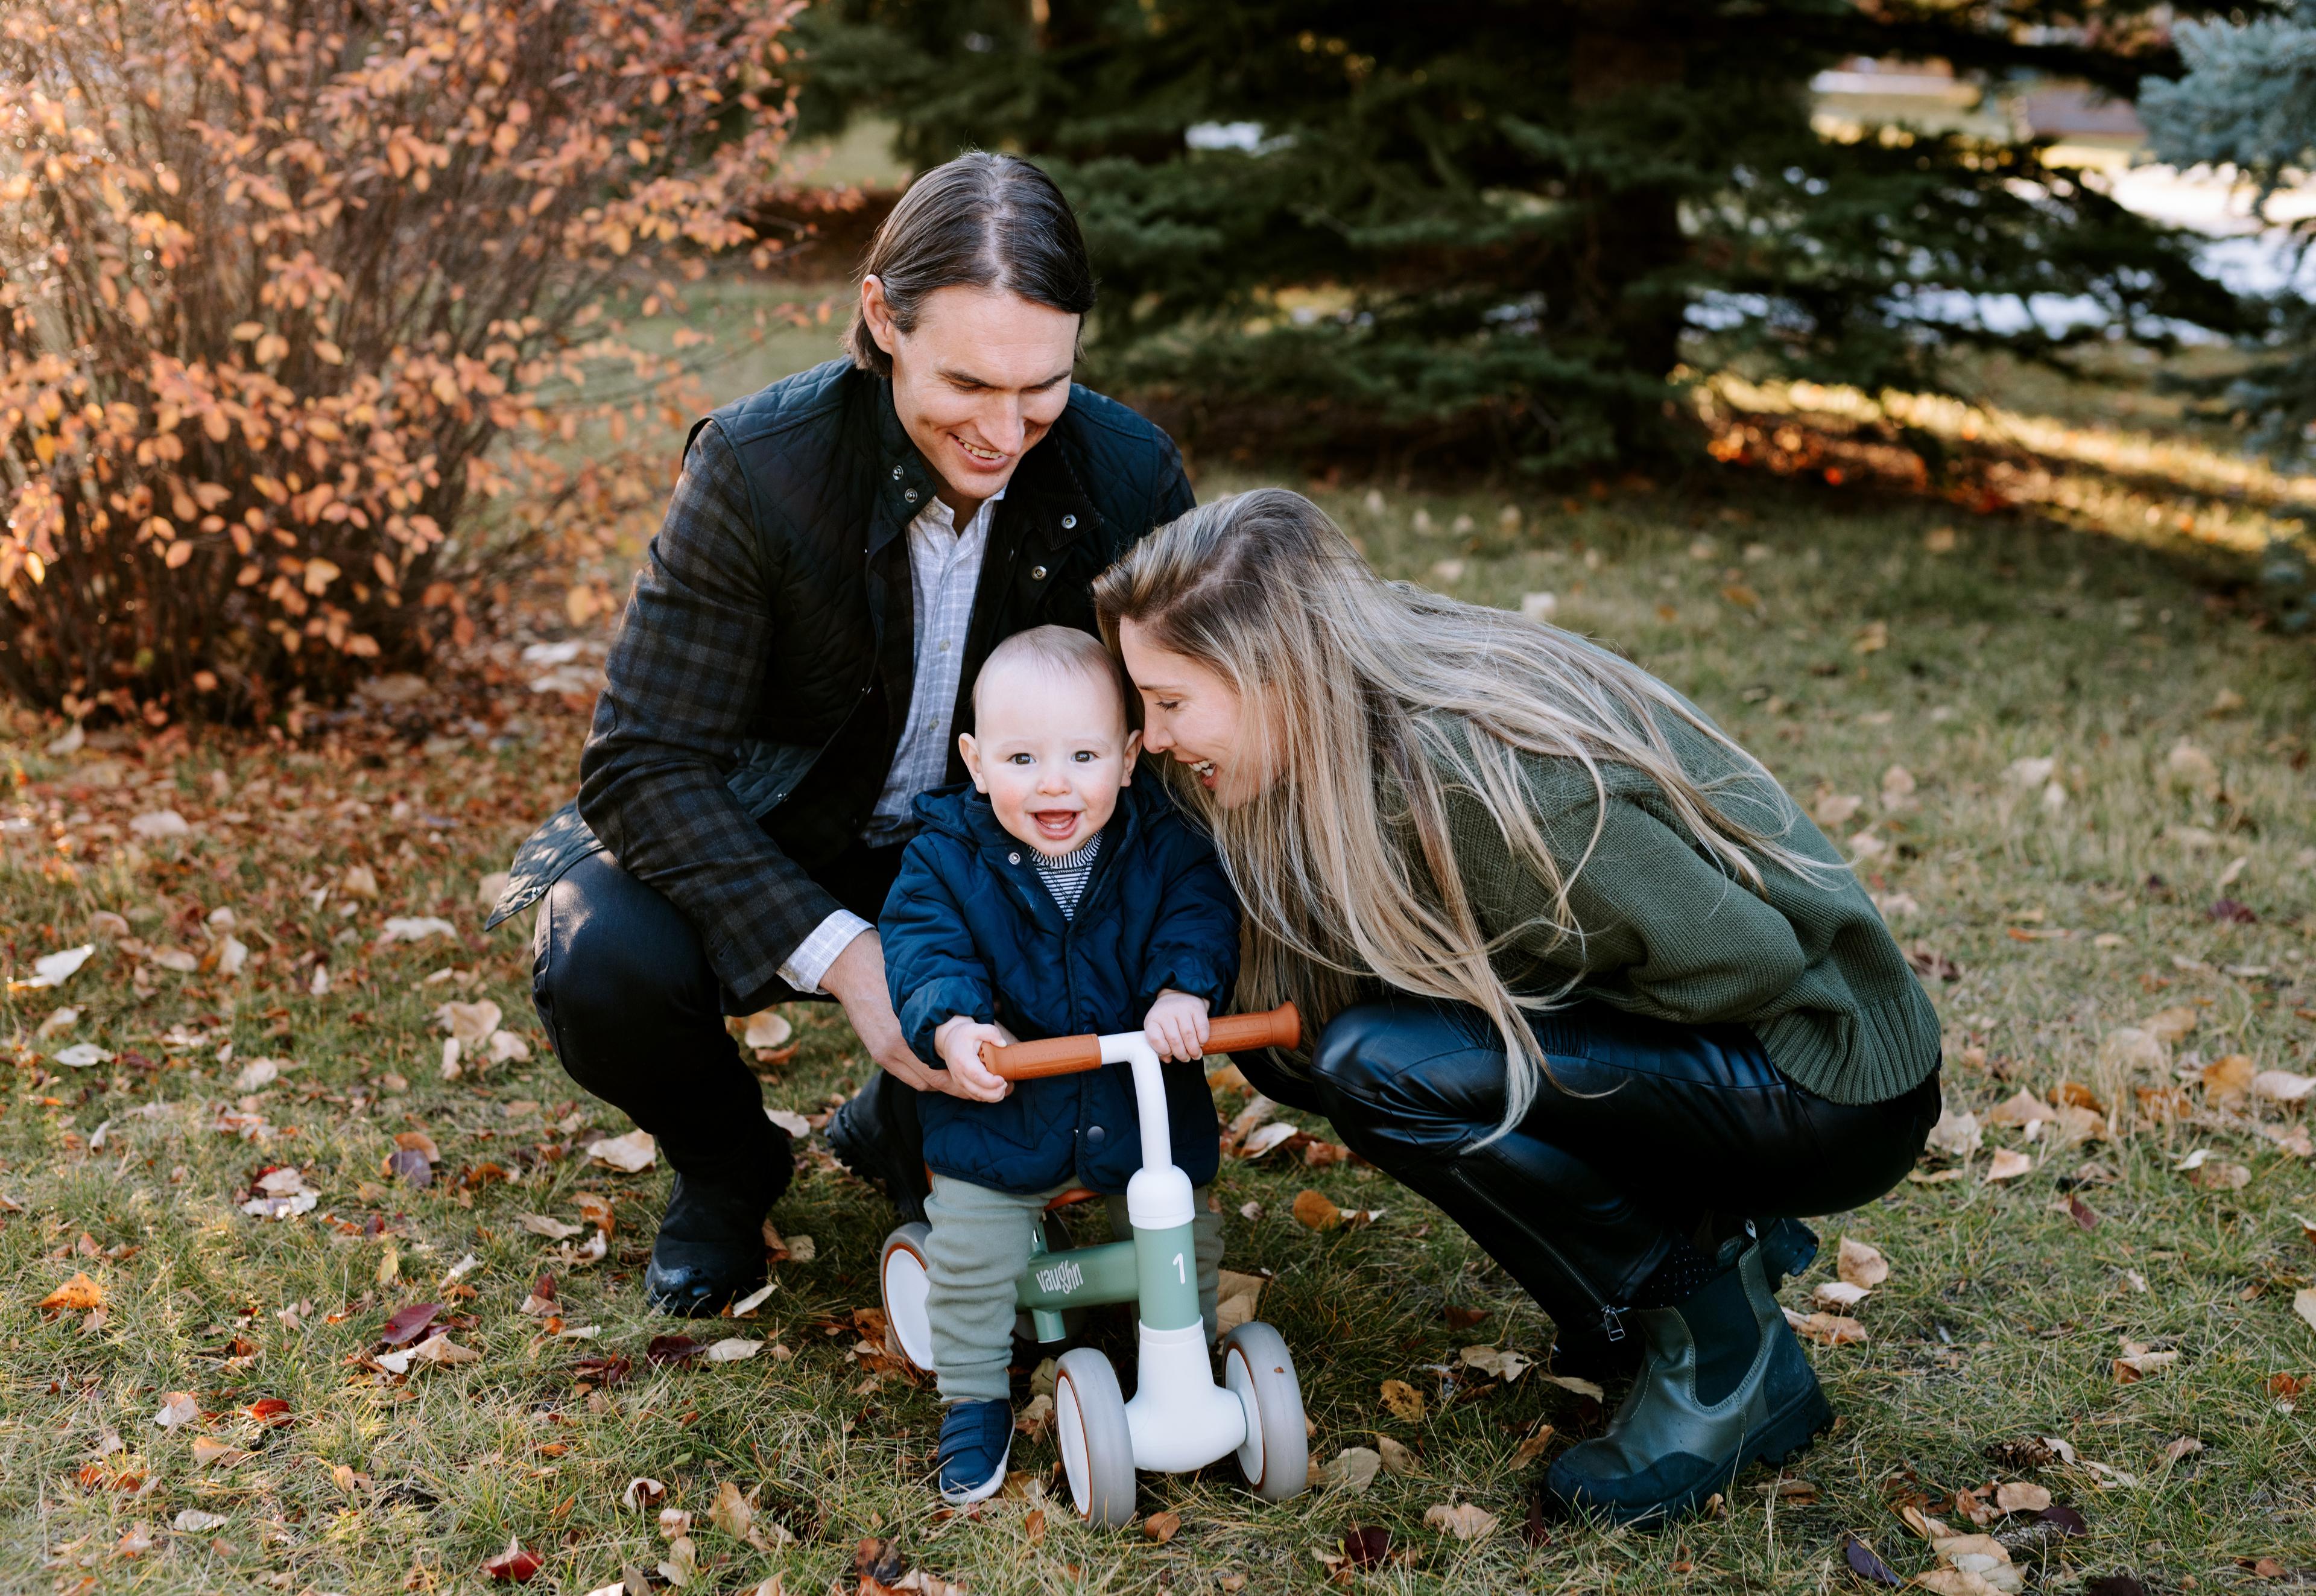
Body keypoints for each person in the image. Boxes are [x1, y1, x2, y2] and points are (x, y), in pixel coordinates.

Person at [1087, 489, 1944, 1527]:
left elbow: (1748, 961)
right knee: (1309, 1044)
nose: (1156, 734)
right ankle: (1669, 1273)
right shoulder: (1343, 707)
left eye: (1172, 702)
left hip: (1820, 1070)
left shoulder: (1493, 788)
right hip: (1733, 1040)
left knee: (1387, 1064)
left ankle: (1722, 1348)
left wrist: (1526, 1022)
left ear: (1275, 673)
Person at [491, 153, 1194, 1317]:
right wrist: (850, 959)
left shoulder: (1126, 478)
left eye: (1044, 386)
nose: (1007, 429)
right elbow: (640, 760)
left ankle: (903, 1127)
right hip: (785, 832)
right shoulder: (761, 469)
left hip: (1004, 852)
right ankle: (731, 1168)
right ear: (883, 317)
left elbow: (1169, 731)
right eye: (968, 383)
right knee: (600, 952)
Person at [879, 625, 1237, 1503]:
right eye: (1023, 756)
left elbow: (1199, 913)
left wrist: (1182, 989)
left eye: (1082, 754)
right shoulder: (943, 860)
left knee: (1187, 1229)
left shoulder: (1162, 844)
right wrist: (958, 1027)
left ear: (1125, 758)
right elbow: (926, 949)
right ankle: (970, 1391)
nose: (1053, 782)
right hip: (1005, 1110)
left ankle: (1194, 1344)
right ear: (975, 759)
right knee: (971, 1251)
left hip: (1132, 1100)